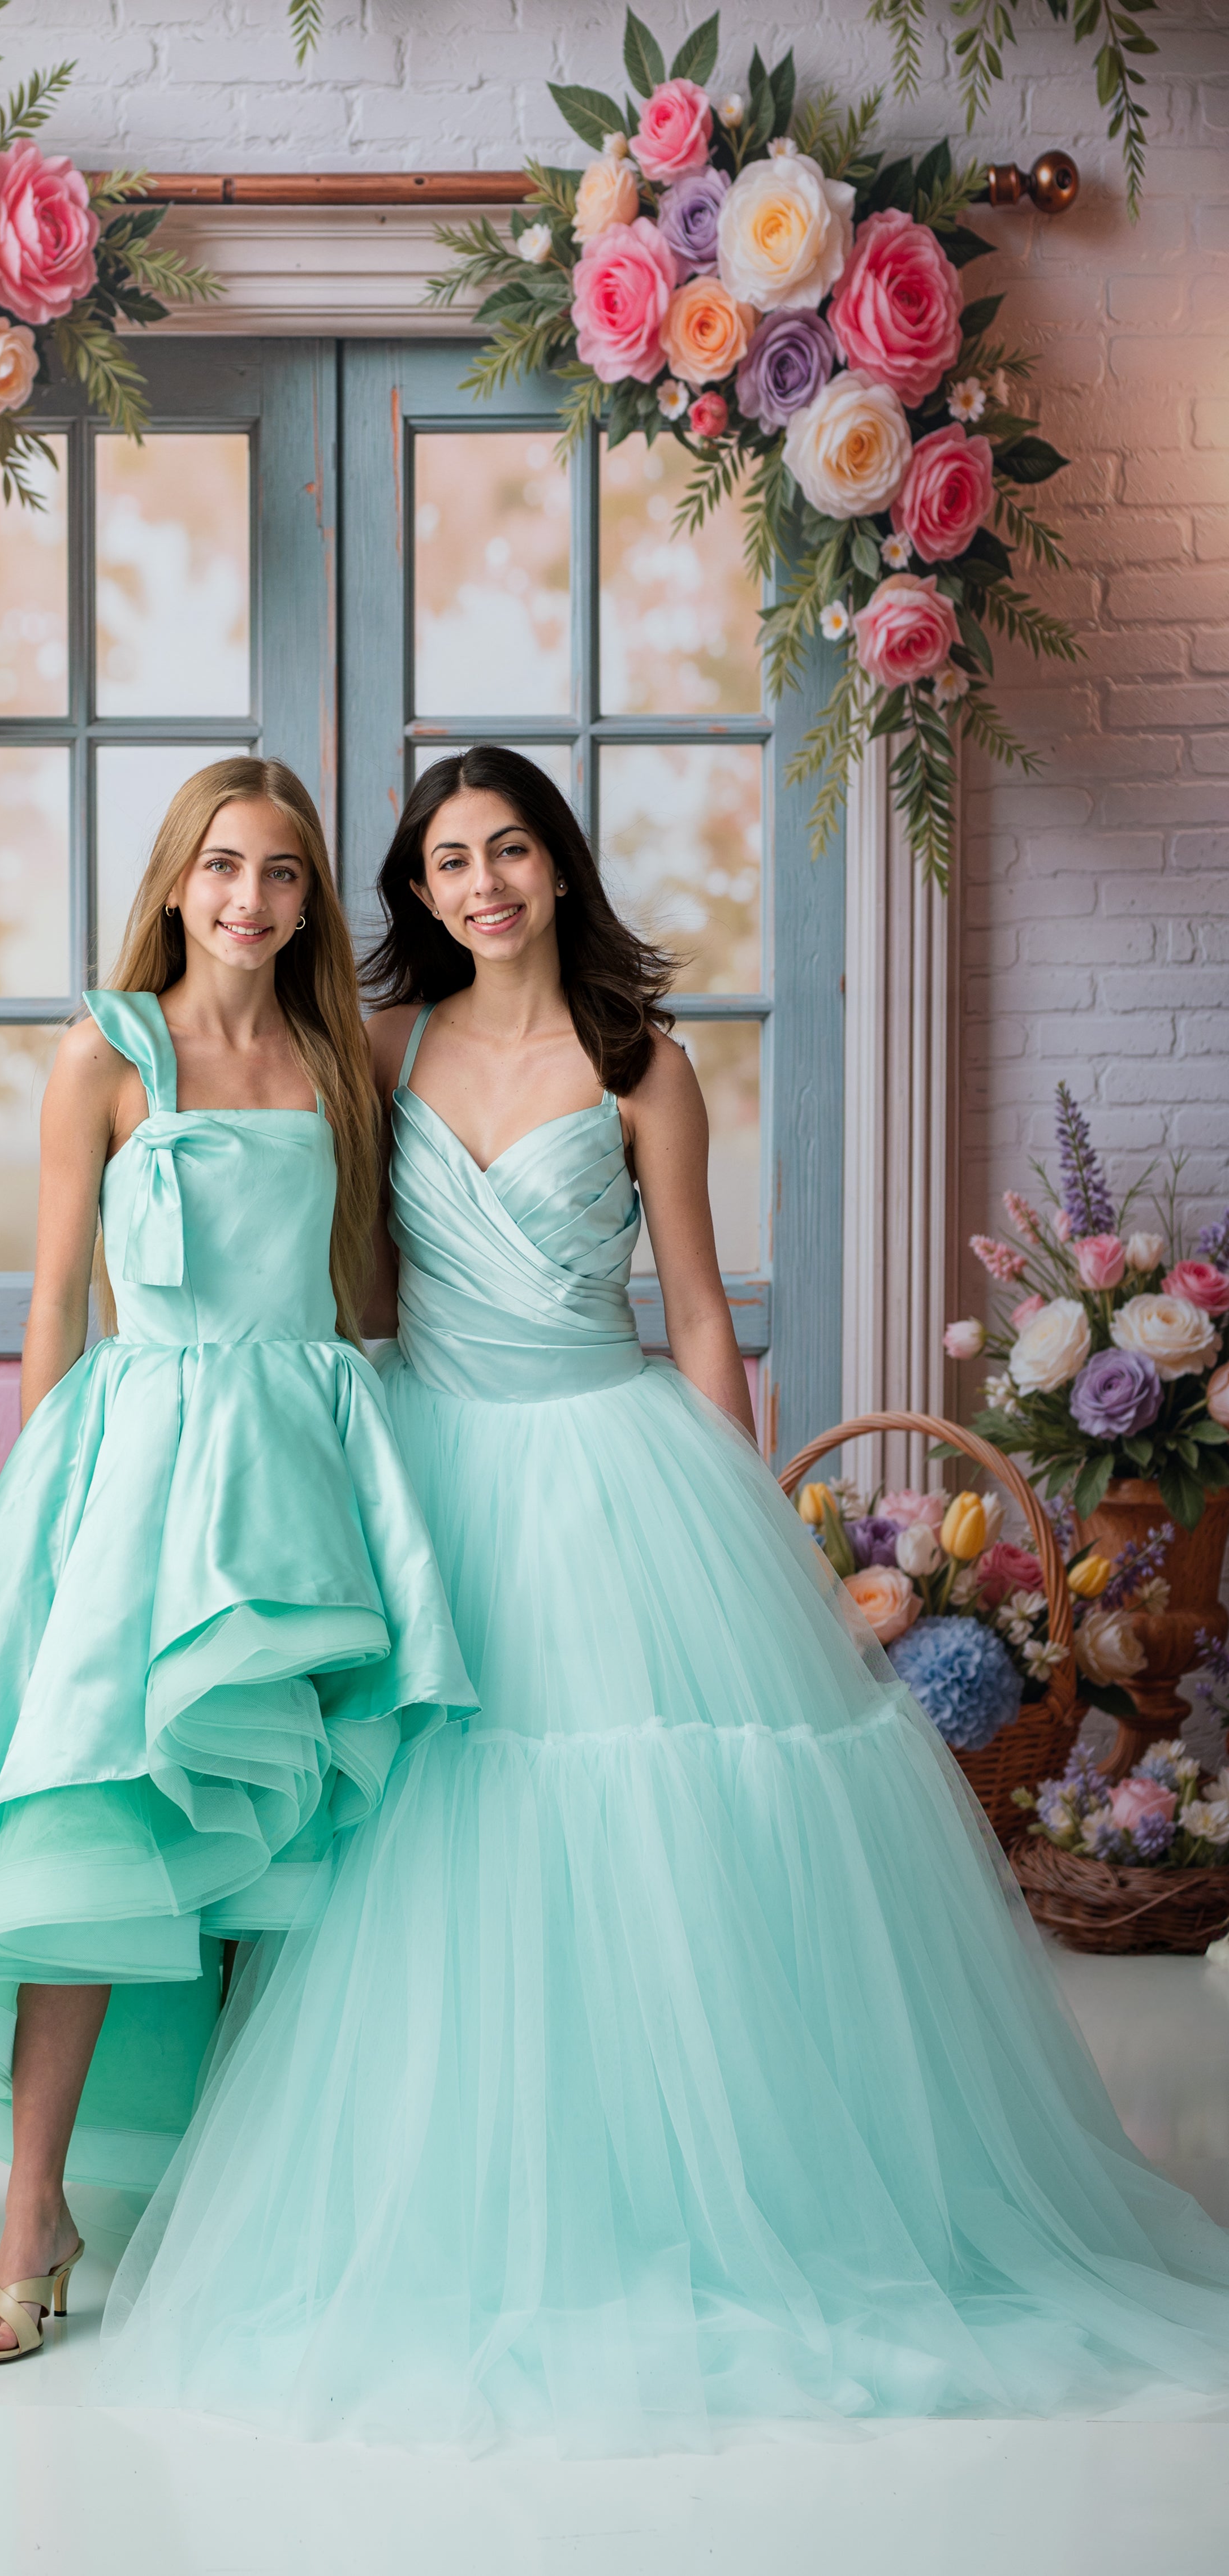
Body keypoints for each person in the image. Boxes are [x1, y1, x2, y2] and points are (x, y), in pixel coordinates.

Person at [96, 745, 1229, 2452]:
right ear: (412, 891)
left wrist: (749, 1527)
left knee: (651, 1838)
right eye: (446, 860)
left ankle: (680, 2185)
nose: (480, 883)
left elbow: (701, 1310)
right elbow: (284, 1228)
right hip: (422, 1457)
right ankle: (455, 2182)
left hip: (610, 1462)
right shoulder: (382, 1046)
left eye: (509, 851)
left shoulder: (642, 1062)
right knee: (419, 1831)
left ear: (559, 867)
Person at [0, 755, 472, 2363]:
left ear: (311, 898)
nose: (249, 899)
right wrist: (49, 1509)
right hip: (138, 1479)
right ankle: (30, 2214)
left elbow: (364, 1295)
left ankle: (259, 2201)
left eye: (280, 873)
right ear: (177, 885)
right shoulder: (109, 1051)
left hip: (300, 1476)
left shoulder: (339, 1060)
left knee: (278, 1848)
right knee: (94, 1840)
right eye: (221, 868)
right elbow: (56, 1302)